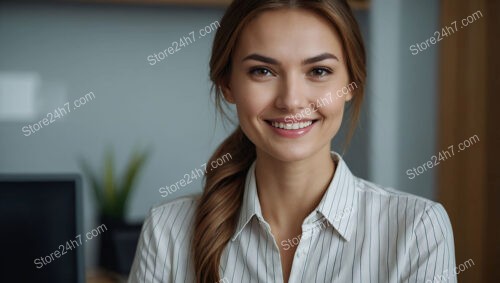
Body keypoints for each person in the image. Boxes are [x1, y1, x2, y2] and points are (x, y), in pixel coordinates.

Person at [129, 0, 457, 282]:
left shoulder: (416, 229)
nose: (291, 101)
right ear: (228, 84)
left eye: (318, 72)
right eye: (263, 71)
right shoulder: (168, 230)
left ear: (352, 82)